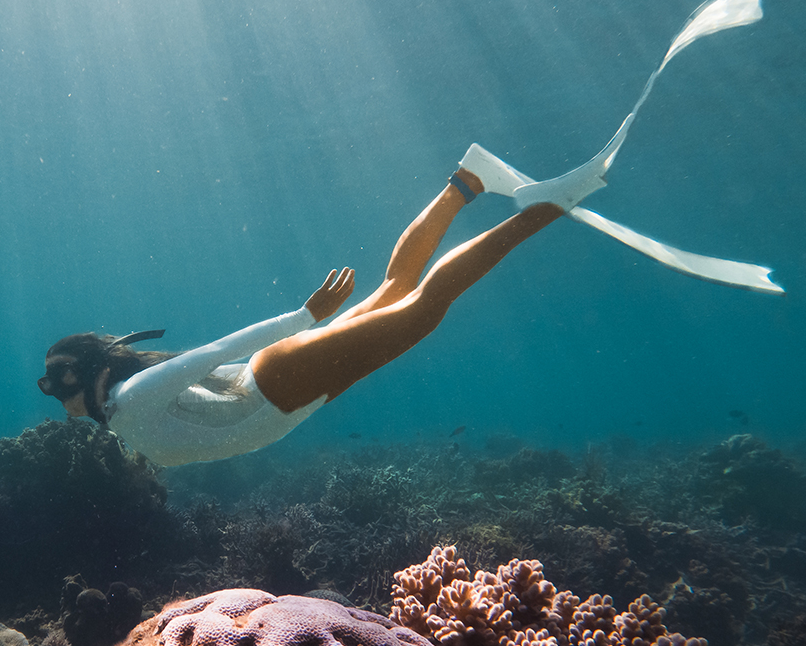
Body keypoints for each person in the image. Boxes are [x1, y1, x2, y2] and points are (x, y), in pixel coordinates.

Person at [38, 144, 597, 466]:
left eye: (57, 384)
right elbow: (217, 386)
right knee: (397, 291)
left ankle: (547, 207)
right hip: (287, 391)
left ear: (93, 373)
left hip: (282, 385)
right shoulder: (124, 415)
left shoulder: (130, 399)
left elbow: (215, 351)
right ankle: (468, 181)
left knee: (423, 308)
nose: (57, 402)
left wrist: (305, 319)